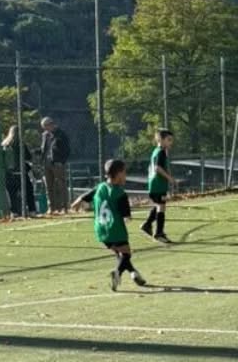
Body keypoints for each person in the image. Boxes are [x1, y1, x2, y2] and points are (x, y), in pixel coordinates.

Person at [71, 159, 146, 291]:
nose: (126, 175)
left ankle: (134, 274)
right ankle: (117, 273)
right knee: (126, 253)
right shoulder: (120, 194)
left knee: (120, 253)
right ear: (118, 174)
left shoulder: (100, 187)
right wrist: (128, 216)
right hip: (115, 229)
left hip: (101, 230)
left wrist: (77, 201)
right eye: (124, 173)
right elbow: (127, 218)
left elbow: (86, 196)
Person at [141, 128, 177, 244]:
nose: (171, 142)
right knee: (161, 207)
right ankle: (159, 233)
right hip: (157, 185)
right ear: (160, 140)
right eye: (168, 140)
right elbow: (157, 168)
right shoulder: (160, 152)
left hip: (155, 185)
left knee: (159, 205)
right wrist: (170, 178)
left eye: (171, 140)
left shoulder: (157, 151)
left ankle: (147, 225)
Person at [40, 117, 71, 214]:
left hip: (57, 163)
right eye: (43, 127)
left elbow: (67, 150)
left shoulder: (61, 134)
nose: (45, 129)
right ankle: (52, 208)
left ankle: (64, 207)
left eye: (46, 126)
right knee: (48, 186)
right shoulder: (45, 135)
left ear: (51, 124)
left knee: (61, 185)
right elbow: (44, 149)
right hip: (46, 163)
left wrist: (62, 161)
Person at [1, 123, 30, 218]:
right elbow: (28, 156)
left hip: (8, 173)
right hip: (20, 172)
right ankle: (30, 210)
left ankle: (14, 212)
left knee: (12, 194)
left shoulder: (4, 144)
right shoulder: (20, 144)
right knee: (27, 191)